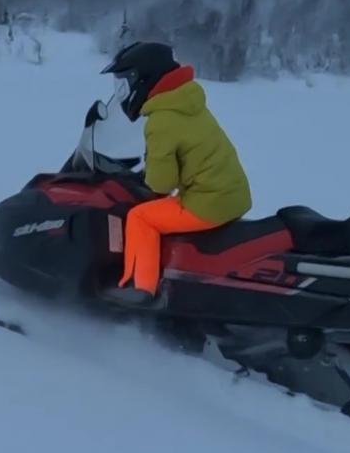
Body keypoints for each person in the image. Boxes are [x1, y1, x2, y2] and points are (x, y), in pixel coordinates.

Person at [101, 41, 252, 306]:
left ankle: (140, 288)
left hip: (209, 202)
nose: (122, 93)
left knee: (140, 217)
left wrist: (141, 179)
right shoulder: (186, 102)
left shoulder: (162, 120)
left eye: (123, 84)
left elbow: (162, 184)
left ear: (144, 79)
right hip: (231, 195)